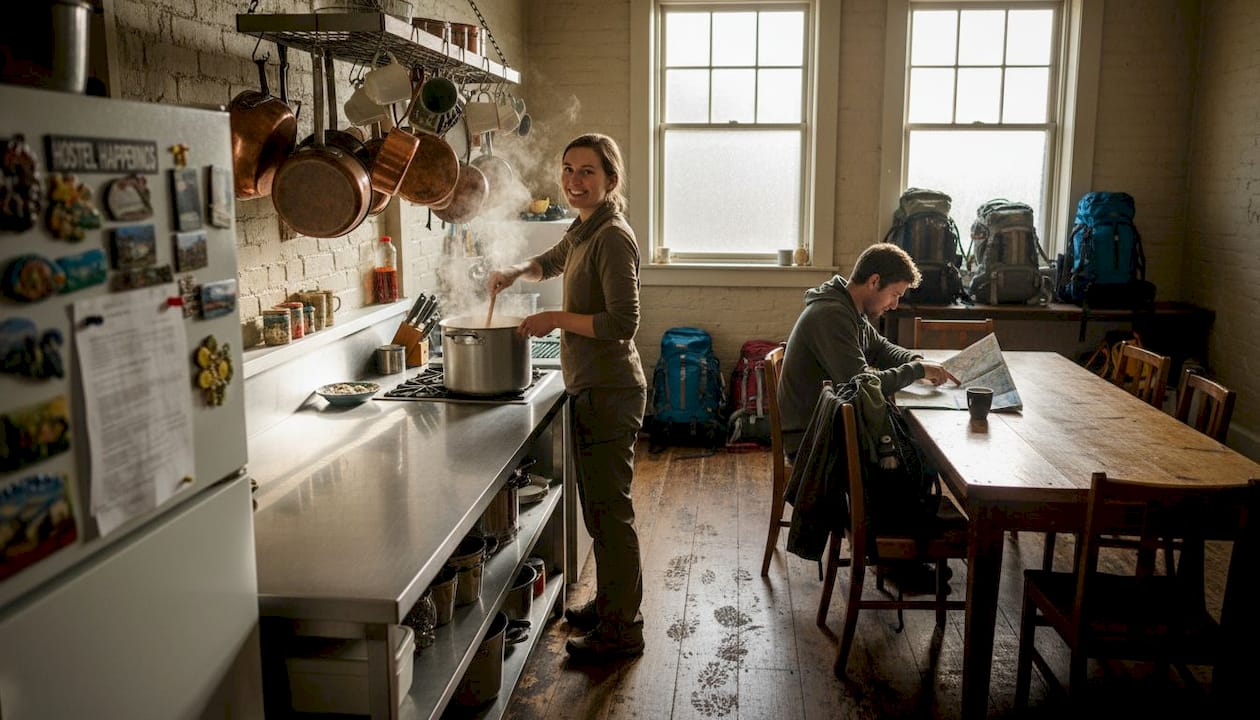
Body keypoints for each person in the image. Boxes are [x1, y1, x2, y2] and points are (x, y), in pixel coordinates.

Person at [486, 133, 647, 659]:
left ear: (611, 180)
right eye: (568, 169)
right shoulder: (585, 227)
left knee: (611, 515)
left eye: (587, 172)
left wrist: (554, 318)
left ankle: (623, 630)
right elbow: (552, 261)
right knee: (600, 513)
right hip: (592, 386)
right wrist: (516, 271)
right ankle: (611, 605)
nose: (574, 181)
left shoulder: (612, 237)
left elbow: (622, 323)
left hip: (610, 390)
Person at [778, 242, 959, 458]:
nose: (895, 305)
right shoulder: (831, 315)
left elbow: (880, 348)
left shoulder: (849, 307)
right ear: (874, 281)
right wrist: (918, 370)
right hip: (813, 440)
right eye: (895, 294)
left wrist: (916, 360)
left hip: (832, 423)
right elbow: (863, 387)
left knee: (915, 448)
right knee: (920, 454)